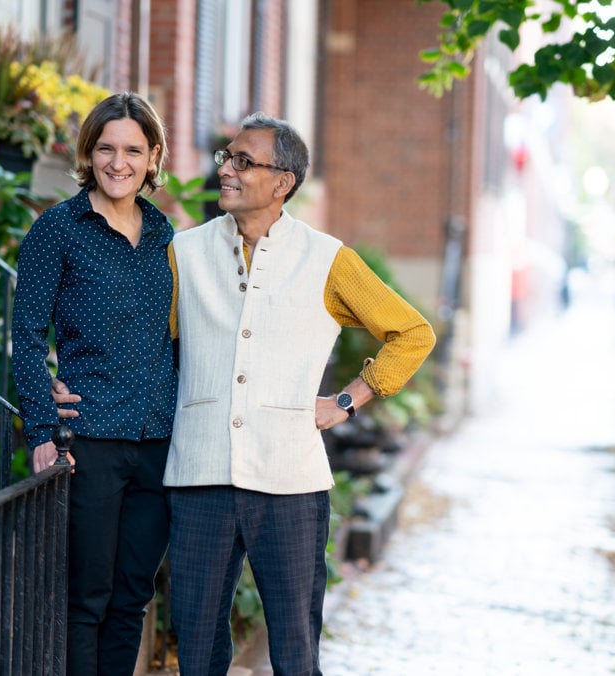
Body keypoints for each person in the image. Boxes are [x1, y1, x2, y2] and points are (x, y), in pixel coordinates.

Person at [165, 112, 435, 674]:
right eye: (226, 159)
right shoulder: (184, 253)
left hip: (290, 481)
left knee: (294, 648)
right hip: (199, 475)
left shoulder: (328, 259)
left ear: (283, 181)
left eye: (243, 162)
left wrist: (349, 400)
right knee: (195, 647)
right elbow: (154, 346)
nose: (227, 172)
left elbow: (413, 333)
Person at [11, 92, 176, 676]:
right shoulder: (57, 230)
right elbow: (27, 335)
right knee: (86, 600)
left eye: (133, 149)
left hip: (159, 440)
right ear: (89, 152)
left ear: (153, 156)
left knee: (132, 596)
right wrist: (41, 429)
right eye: (106, 148)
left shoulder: (166, 235)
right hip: (91, 440)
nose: (118, 162)